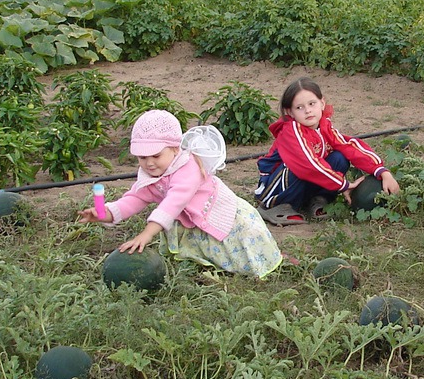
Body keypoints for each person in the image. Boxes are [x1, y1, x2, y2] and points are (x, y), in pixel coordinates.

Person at [79, 110, 284, 278]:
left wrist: (146, 234)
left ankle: (252, 271)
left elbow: (174, 203)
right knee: (203, 250)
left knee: (238, 251)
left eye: (156, 155)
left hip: (221, 215)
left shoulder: (188, 168)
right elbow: (134, 198)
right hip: (192, 218)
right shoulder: (151, 174)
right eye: (142, 157)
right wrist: (105, 213)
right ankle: (205, 268)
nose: (149, 163)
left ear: (175, 149)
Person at [255, 77, 401, 225]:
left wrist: (381, 171)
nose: (307, 110)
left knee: (339, 157)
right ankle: (277, 206)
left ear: (322, 103)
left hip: (304, 180)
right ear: (290, 112)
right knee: (296, 165)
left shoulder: (324, 126)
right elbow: (308, 165)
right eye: (299, 107)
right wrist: (343, 184)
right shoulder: (291, 131)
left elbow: (348, 145)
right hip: (274, 187)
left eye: (312, 103)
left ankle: (317, 199)